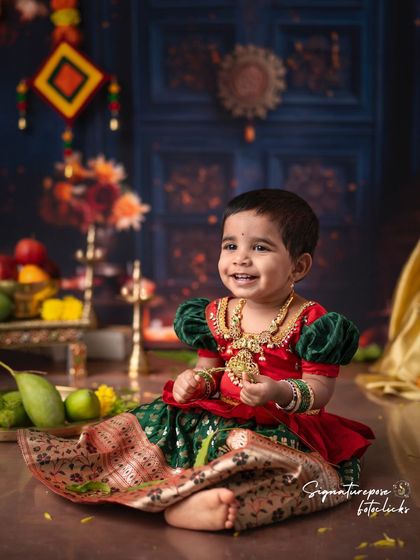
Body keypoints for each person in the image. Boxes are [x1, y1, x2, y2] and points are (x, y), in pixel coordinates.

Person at [18, 189, 374, 532]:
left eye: (260, 247)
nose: (241, 258)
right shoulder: (216, 313)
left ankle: (207, 501)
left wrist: (277, 390)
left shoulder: (311, 320)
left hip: (281, 424)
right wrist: (197, 381)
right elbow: (209, 367)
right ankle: (161, 487)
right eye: (230, 245)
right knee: (143, 426)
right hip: (215, 412)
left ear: (298, 266)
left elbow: (320, 388)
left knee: (257, 458)